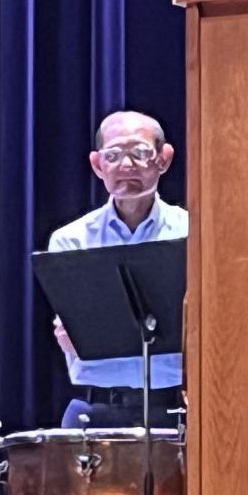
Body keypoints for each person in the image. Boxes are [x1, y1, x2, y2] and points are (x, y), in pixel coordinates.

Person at [47, 110, 188, 428]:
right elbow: (74, 335)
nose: (126, 166)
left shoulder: (192, 232)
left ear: (163, 159)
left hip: (177, 408)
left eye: (139, 153)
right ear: (98, 165)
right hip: (95, 410)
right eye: (113, 155)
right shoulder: (72, 239)